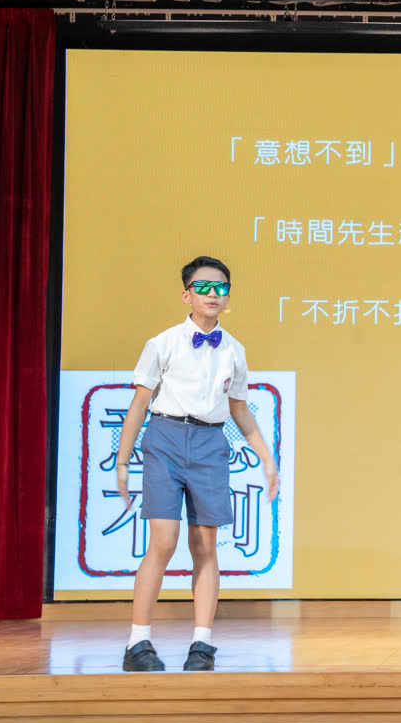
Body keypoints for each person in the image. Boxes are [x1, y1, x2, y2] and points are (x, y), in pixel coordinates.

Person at [114, 256, 280, 672]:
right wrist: (122, 461)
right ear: (186, 295)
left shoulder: (234, 350)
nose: (212, 294)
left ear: (228, 297)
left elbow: (239, 409)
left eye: (220, 287)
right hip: (165, 439)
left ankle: (202, 644)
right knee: (164, 542)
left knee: (205, 546)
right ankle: (138, 642)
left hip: (210, 443)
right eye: (203, 287)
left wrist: (267, 459)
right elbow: (140, 403)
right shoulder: (163, 343)